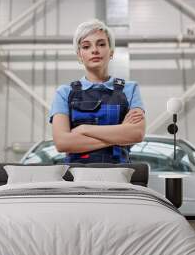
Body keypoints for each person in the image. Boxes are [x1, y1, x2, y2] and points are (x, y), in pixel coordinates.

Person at [49, 19, 145, 163]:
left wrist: (83, 129)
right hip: (75, 179)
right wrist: (120, 133)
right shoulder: (64, 93)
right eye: (86, 46)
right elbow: (62, 143)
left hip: (119, 177)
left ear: (111, 52)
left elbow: (136, 133)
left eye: (101, 44)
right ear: (79, 55)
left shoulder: (130, 89)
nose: (94, 50)